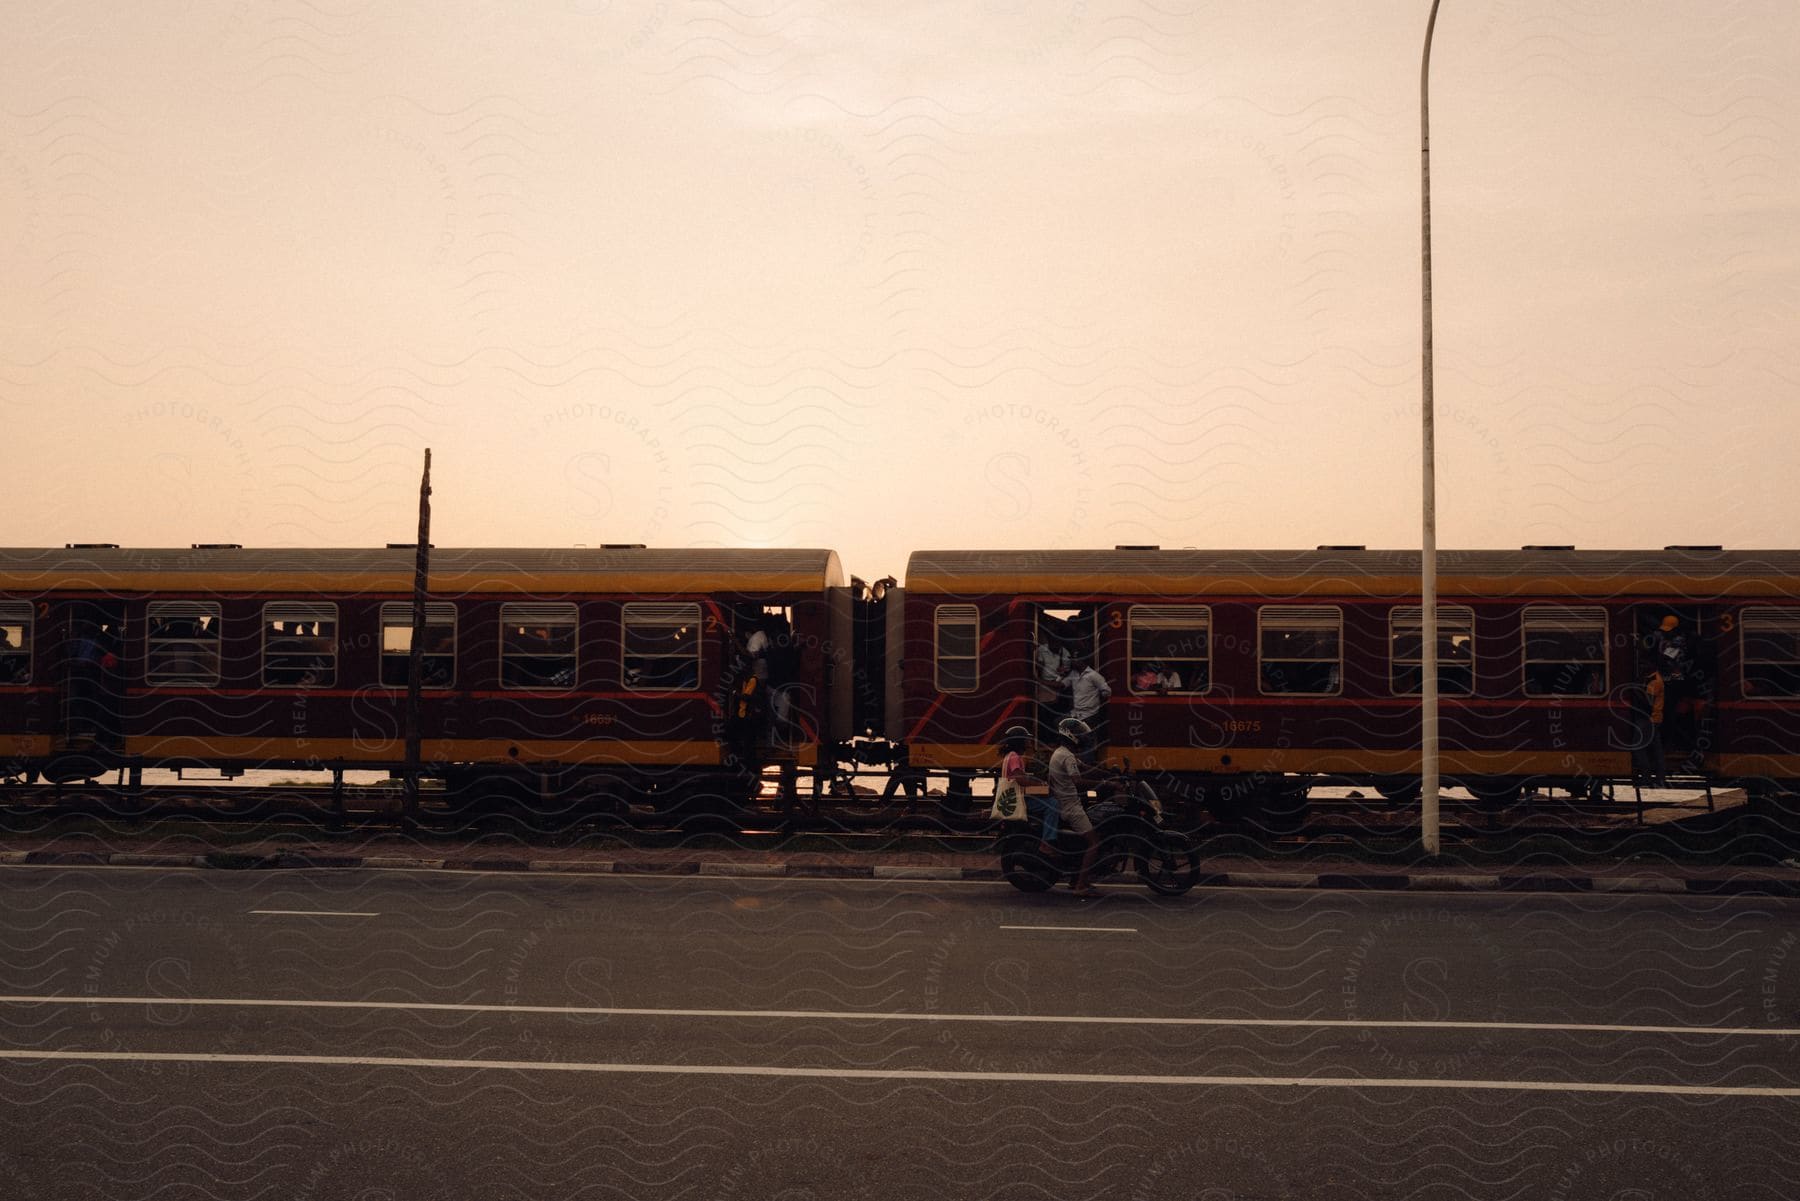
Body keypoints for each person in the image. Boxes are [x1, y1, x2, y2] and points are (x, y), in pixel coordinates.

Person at [1048, 717, 1101, 897]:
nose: (1082, 737)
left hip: (1064, 804)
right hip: (1070, 807)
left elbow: (1084, 767)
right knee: (1094, 843)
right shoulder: (1067, 756)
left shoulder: (1061, 753)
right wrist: (1107, 784)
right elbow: (1078, 780)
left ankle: (1077, 878)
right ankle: (1080, 885)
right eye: (1078, 734)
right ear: (1070, 735)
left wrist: (1110, 772)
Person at [1061, 656, 1112, 745]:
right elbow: (1062, 684)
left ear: (1082, 661)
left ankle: (1087, 756)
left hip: (1090, 714)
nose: (1072, 662)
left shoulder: (1093, 675)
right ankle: (1073, 747)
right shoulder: (1074, 674)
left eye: (1075, 659)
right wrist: (1040, 680)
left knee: (1087, 739)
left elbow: (1107, 691)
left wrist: (1096, 698)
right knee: (1060, 723)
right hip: (1076, 713)